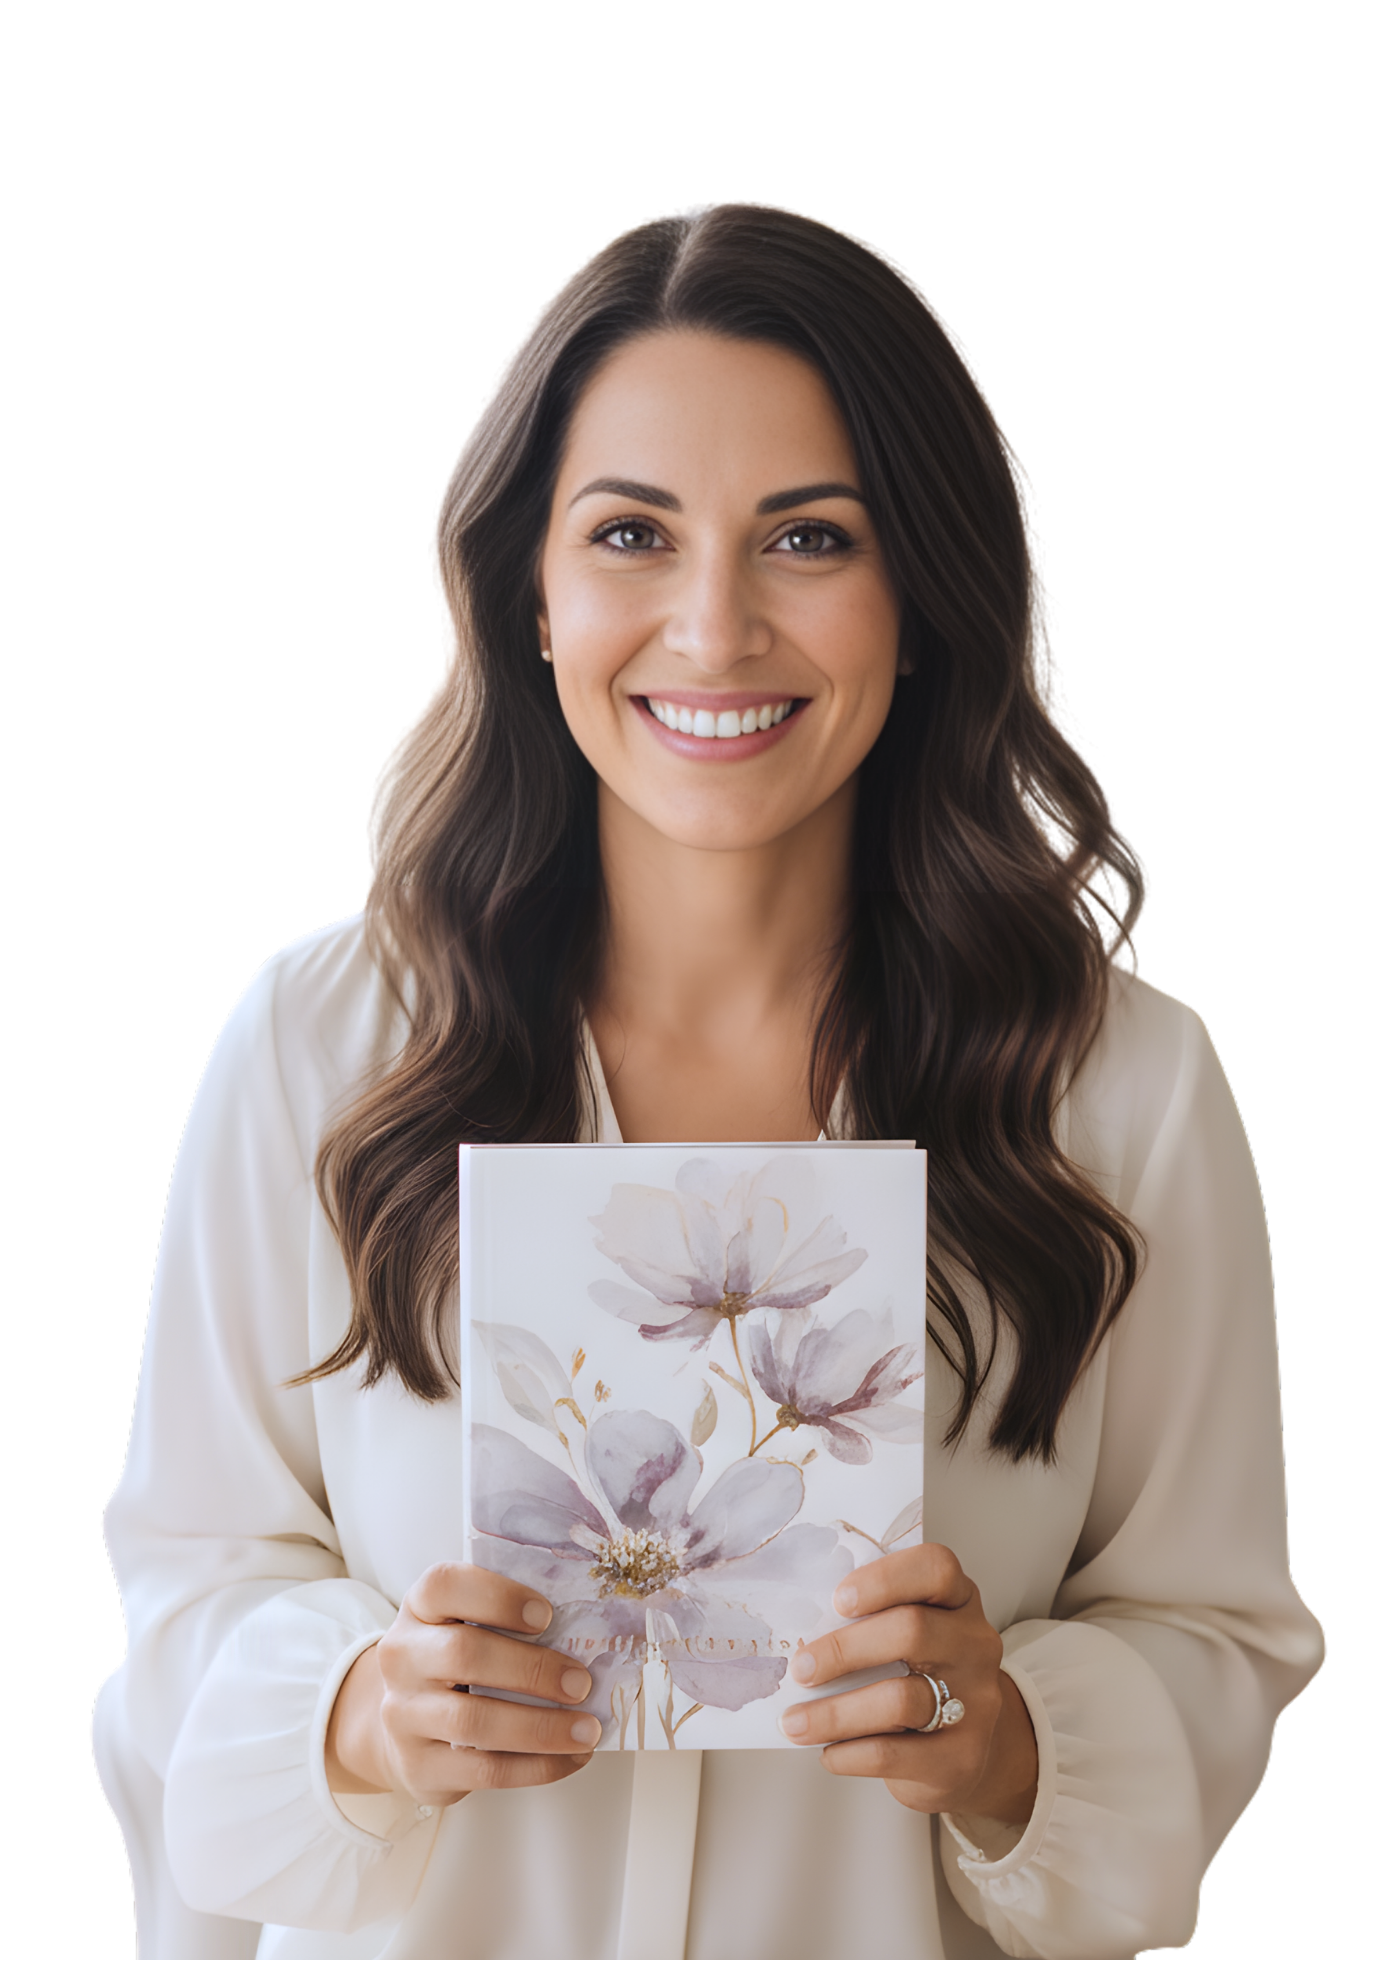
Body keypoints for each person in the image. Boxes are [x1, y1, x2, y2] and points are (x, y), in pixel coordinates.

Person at [93, 203, 1323, 1960]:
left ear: (924, 593)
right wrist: (357, 1718)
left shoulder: (1123, 1093)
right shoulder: (324, 1052)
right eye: (631, 534)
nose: (715, 625)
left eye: (809, 536)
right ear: (531, 587)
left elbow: (1214, 1631)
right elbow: (191, 1596)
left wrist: (1013, 1740)